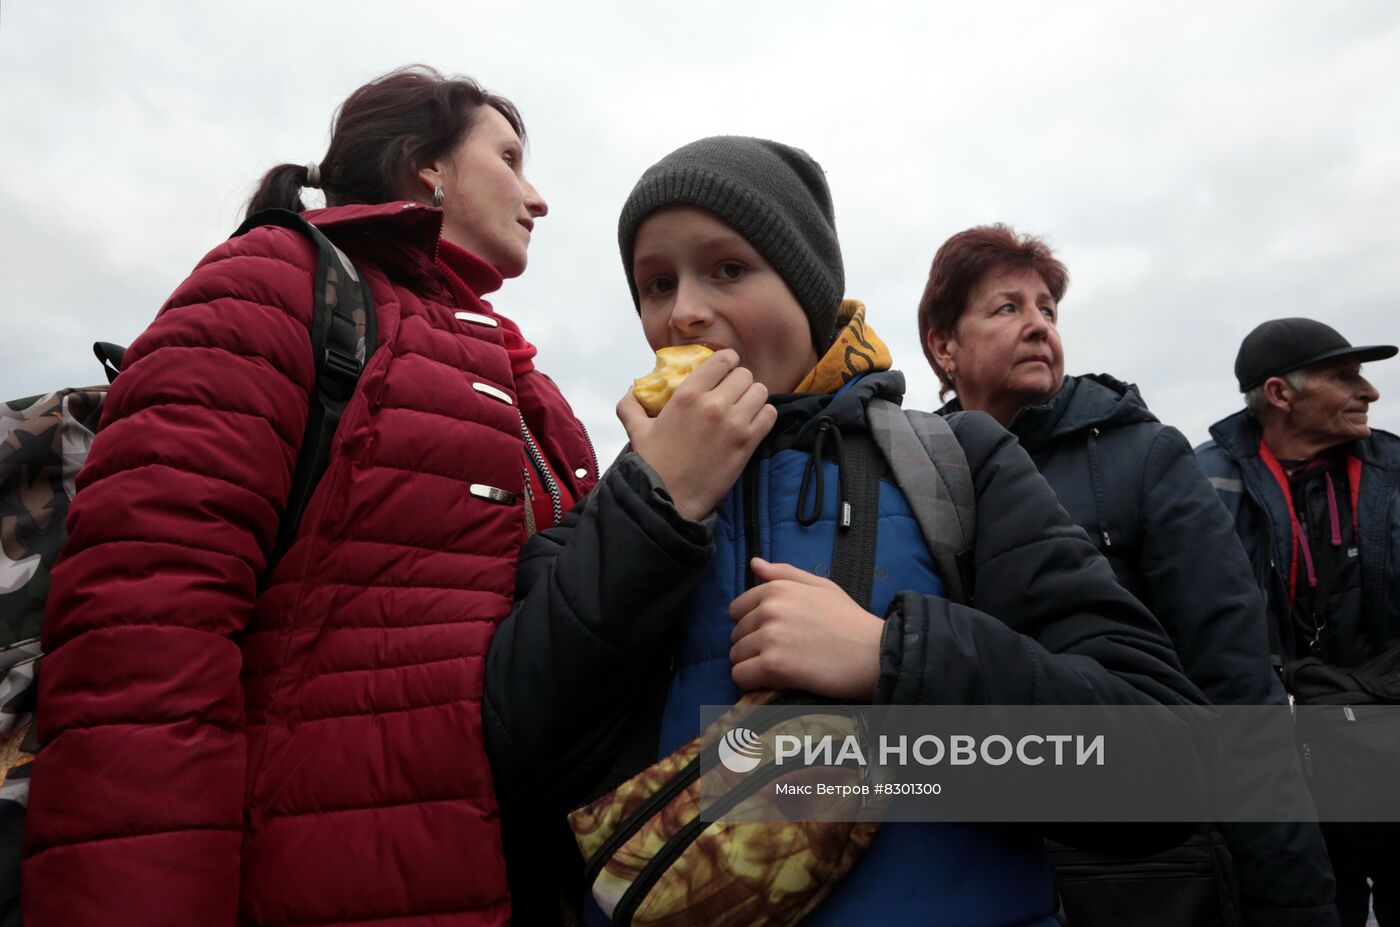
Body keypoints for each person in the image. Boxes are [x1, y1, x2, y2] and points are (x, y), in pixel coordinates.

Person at [484, 137, 1206, 927]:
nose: (683, 309)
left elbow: (1164, 769)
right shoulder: (607, 509)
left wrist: (891, 659)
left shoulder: (956, 462)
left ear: (807, 287)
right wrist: (652, 511)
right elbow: (515, 774)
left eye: (728, 268)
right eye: (657, 283)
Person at [21, 66, 596, 927]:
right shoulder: (271, 284)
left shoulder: (524, 379)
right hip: (327, 886)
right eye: (511, 158)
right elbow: (144, 641)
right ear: (426, 167)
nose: (538, 197)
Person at [919, 225, 1336, 926]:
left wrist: (1292, 897)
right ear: (942, 345)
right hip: (975, 871)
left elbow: (1237, 684)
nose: (1037, 326)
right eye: (1007, 308)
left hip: (1146, 876)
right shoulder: (915, 472)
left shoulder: (1145, 456)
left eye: (1047, 309)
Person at [1196, 317, 1400, 927]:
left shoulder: (1395, 471)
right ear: (1281, 394)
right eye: (1345, 376)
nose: (1369, 392)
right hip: (1284, 772)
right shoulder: (1199, 480)